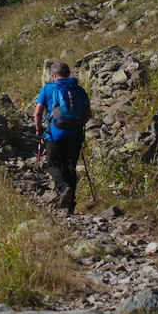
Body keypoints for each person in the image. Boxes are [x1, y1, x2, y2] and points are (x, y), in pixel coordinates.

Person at [34, 61, 91, 215]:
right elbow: (88, 113)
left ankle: (63, 187)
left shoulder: (47, 88)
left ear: (54, 75)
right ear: (68, 73)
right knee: (70, 166)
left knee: (53, 164)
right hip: (76, 133)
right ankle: (70, 206)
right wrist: (79, 125)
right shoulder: (78, 89)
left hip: (55, 133)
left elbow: (38, 113)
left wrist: (39, 130)